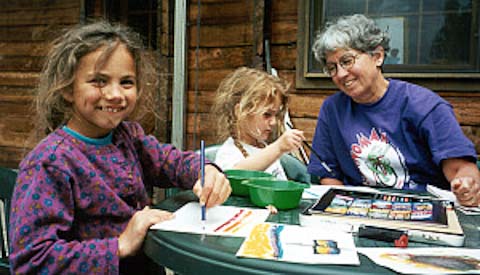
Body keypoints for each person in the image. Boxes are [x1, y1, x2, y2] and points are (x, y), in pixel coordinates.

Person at [8, 21, 231, 274]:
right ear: (68, 88)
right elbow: (31, 262)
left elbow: (172, 161)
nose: (115, 94)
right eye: (99, 81)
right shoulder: (50, 163)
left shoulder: (129, 137)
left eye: (126, 82)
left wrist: (206, 171)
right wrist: (119, 245)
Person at [307, 14, 480, 207]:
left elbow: (460, 169)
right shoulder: (333, 109)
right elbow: (328, 174)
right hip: (359, 211)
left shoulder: (425, 106)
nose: (340, 74)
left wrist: (466, 185)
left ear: (377, 56)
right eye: (332, 68)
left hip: (424, 210)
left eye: (347, 61)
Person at [213, 67, 305, 180]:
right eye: (267, 114)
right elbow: (235, 175)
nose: (273, 122)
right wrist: (278, 147)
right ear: (240, 111)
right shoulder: (229, 152)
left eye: (276, 115)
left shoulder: (263, 147)